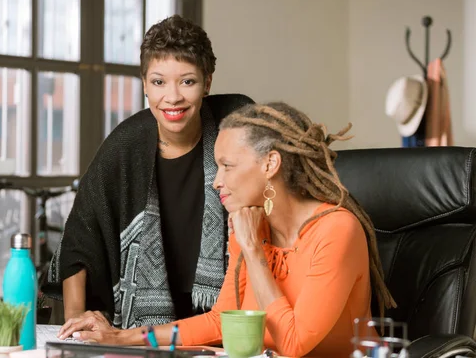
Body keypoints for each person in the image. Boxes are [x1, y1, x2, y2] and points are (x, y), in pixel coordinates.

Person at [59, 102, 397, 357]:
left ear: (271, 164)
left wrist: (253, 251)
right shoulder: (250, 226)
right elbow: (219, 322)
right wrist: (121, 337)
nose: (217, 181)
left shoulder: (336, 230)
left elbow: (294, 344)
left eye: (227, 166)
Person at [48, 14, 254, 333]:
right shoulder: (126, 142)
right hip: (143, 327)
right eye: (158, 82)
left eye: (187, 81)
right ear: (144, 84)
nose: (172, 97)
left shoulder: (236, 124)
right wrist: (75, 330)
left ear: (207, 82)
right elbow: (78, 238)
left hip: (231, 317)